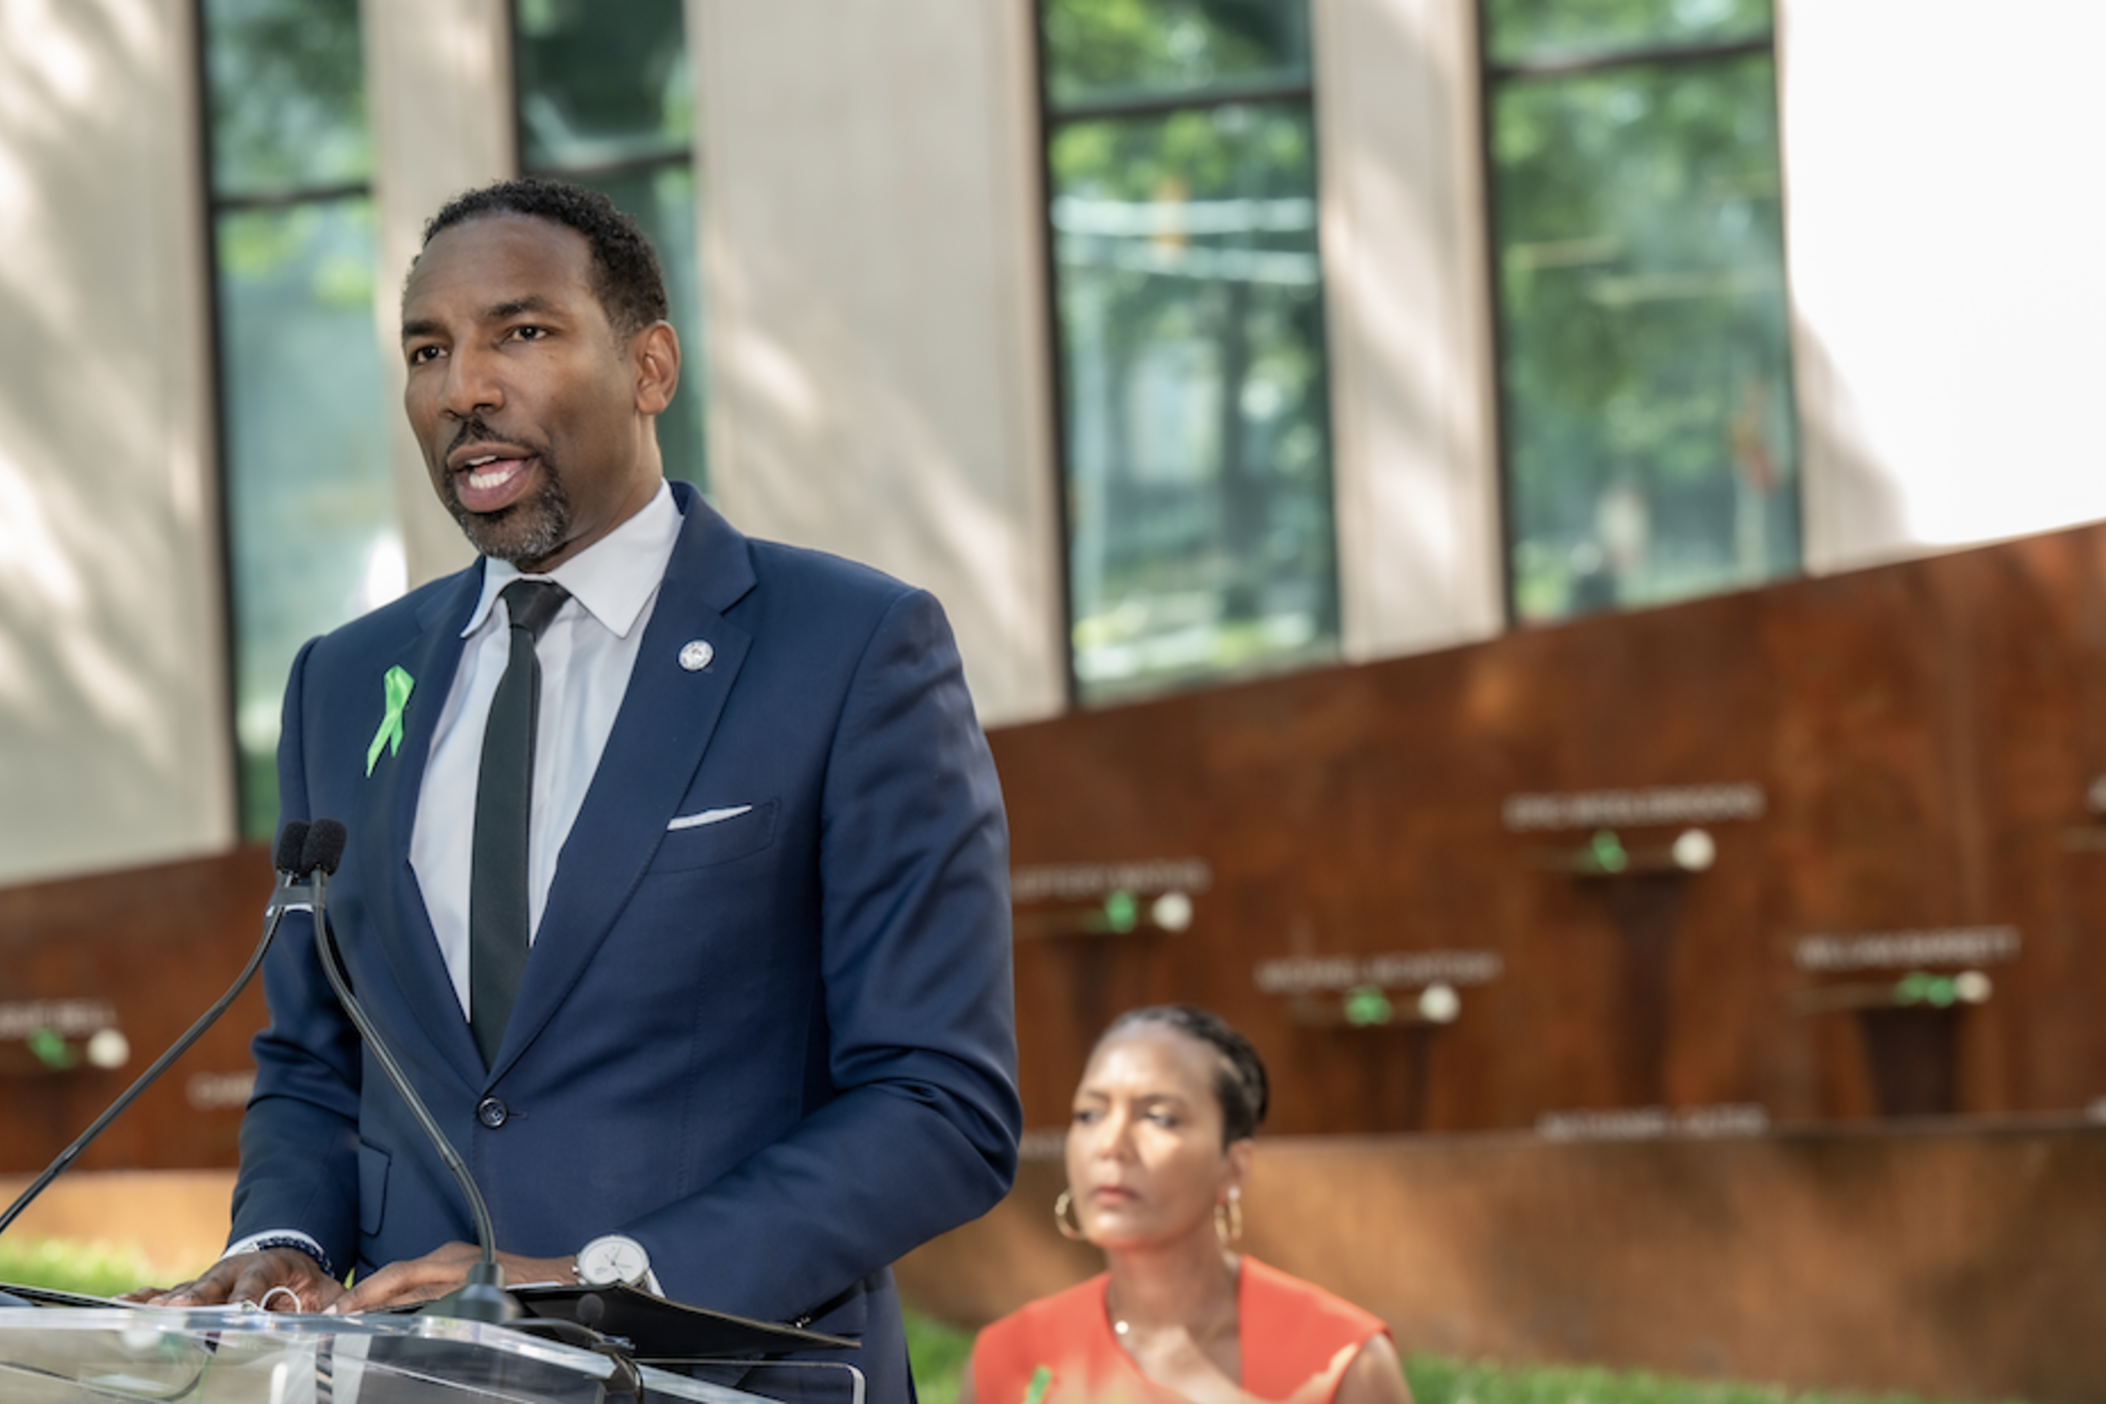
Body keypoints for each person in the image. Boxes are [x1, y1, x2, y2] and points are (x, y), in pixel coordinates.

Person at [140, 177, 1022, 1400]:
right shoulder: (341, 684)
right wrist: (277, 1243)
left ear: (651, 366)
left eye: (523, 332)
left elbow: (940, 1102)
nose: (464, 388)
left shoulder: (852, 648)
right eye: (428, 351)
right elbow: (313, 1062)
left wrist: (593, 1284)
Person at [965, 1007, 1409, 1404]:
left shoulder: (1341, 1361)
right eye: (1090, 1114)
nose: (1111, 1145)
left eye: (1159, 1117)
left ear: (1233, 1168)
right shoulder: (1010, 1360)